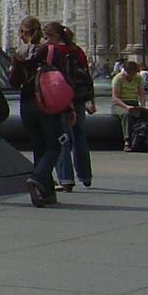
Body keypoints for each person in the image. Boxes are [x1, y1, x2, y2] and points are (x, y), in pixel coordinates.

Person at [9, 15, 64, 207]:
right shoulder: (51, 51)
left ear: (23, 33)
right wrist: (70, 108)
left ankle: (46, 193)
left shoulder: (18, 54)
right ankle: (38, 177)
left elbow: (14, 83)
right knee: (55, 146)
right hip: (47, 104)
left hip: (27, 105)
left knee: (39, 146)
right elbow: (62, 81)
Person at [48, 23, 94, 191]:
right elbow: (87, 75)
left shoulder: (53, 52)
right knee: (80, 135)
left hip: (62, 98)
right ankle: (85, 175)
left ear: (54, 36)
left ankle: (65, 178)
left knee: (62, 137)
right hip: (79, 97)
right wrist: (92, 100)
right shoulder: (77, 50)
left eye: (47, 38)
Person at [112, 58, 147, 152]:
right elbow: (115, 97)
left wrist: (143, 106)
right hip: (119, 104)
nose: (130, 77)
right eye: (129, 74)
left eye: (132, 74)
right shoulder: (118, 79)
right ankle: (127, 141)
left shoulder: (138, 77)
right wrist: (126, 107)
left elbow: (142, 94)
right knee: (126, 114)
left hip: (134, 103)